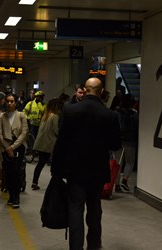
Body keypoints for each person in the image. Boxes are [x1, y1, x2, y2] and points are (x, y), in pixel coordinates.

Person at [51, 77, 122, 250]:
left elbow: (61, 142)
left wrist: (56, 169)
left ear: (85, 89)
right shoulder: (110, 115)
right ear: (101, 91)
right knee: (94, 208)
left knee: (75, 208)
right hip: (97, 171)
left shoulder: (70, 110)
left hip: (75, 170)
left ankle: (76, 247)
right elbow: (115, 145)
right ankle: (94, 245)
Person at [0, 93, 28, 208]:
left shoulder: (21, 115)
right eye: (8, 101)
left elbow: (24, 133)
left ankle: (16, 197)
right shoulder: (1, 116)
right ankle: (10, 196)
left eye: (12, 101)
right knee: (8, 172)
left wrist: (13, 147)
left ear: (16, 103)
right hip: (5, 146)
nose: (9, 103)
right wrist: (7, 147)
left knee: (16, 172)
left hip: (18, 146)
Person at [31, 98, 63, 190]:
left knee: (40, 164)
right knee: (54, 164)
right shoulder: (55, 116)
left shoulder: (46, 115)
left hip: (41, 143)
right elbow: (56, 131)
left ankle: (34, 182)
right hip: (49, 144)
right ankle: (55, 184)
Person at [116, 94, 138, 192]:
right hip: (130, 141)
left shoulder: (117, 113)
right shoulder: (134, 114)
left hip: (118, 141)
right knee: (130, 161)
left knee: (118, 164)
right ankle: (124, 180)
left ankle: (116, 185)